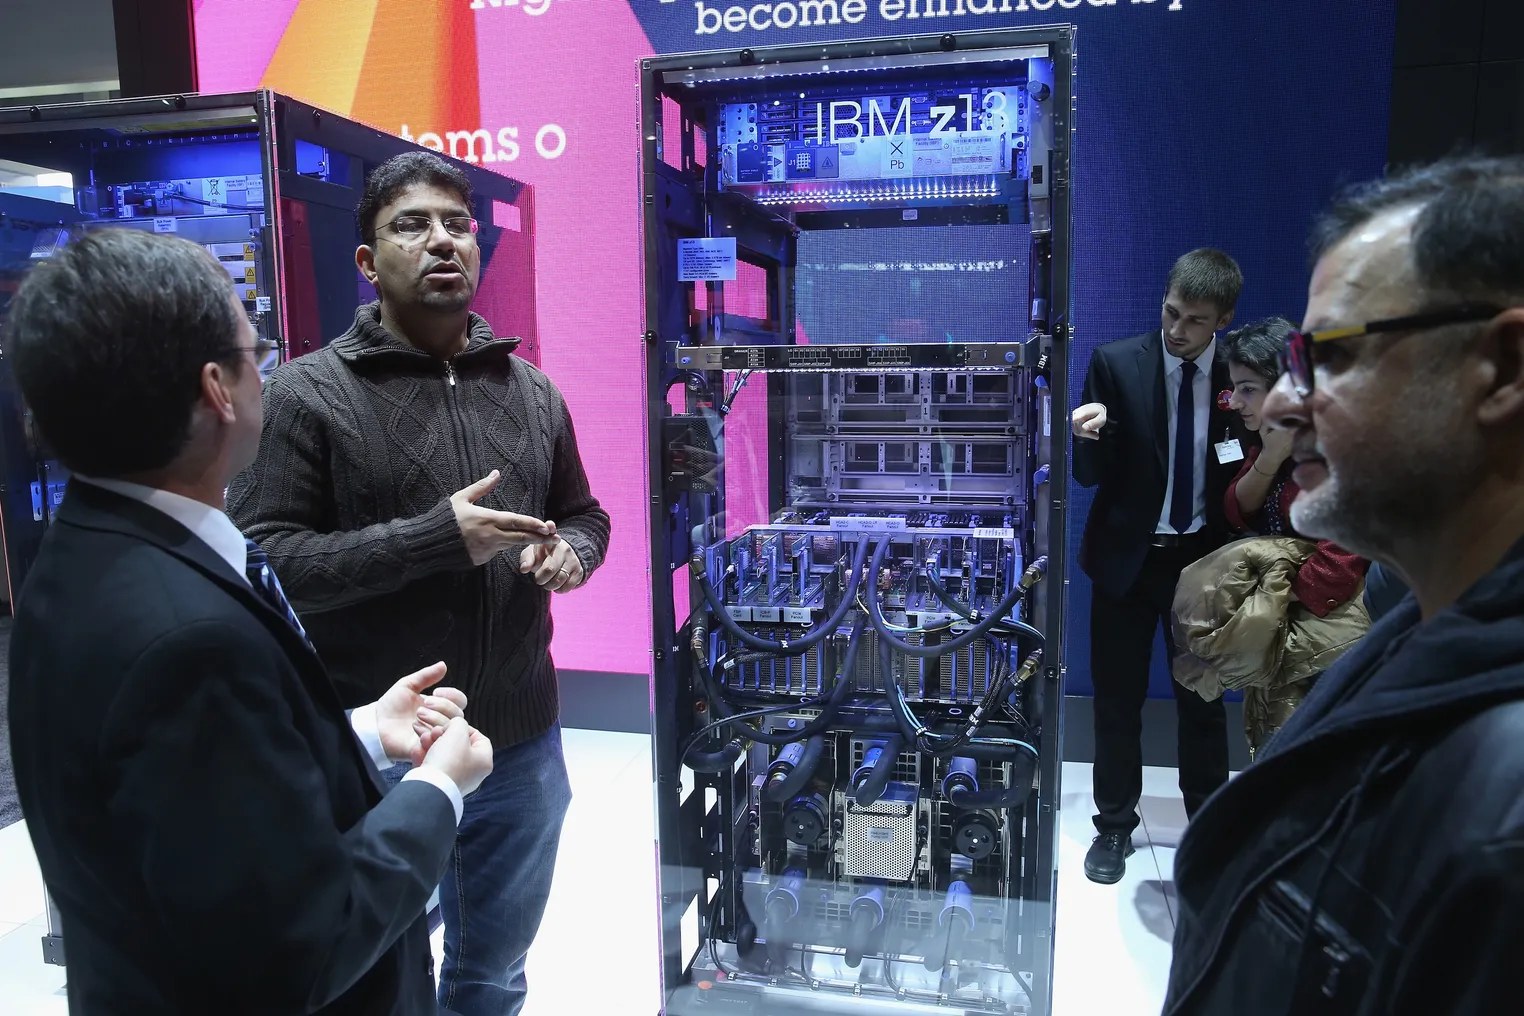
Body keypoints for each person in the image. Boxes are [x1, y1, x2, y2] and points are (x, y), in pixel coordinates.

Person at [5, 228, 494, 1015]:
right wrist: (438, 788)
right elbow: (302, 945)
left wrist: (362, 730)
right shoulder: (187, 641)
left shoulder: (85, 554)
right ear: (217, 389)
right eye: (254, 350)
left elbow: (200, 814)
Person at [229, 151, 610, 1016]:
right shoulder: (306, 397)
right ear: (367, 261)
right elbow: (266, 566)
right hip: (381, 749)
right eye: (411, 225)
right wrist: (434, 540)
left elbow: (586, 513)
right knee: (377, 978)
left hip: (520, 742)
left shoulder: (533, 391)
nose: (441, 241)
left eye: (457, 223)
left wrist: (575, 555)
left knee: (493, 973)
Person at [1163, 155, 1524, 1015]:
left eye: (1329, 356)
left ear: (1505, 368)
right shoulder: (1417, 641)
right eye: (1289, 362)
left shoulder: (1504, 816)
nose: (1286, 406)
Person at [1070, 249, 1240, 883]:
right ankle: (1114, 828)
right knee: (1118, 701)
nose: (1176, 330)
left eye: (1195, 320)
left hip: (1204, 562)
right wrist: (1087, 438)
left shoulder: (1237, 372)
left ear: (1223, 318)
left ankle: (1210, 833)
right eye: (1171, 312)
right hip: (1127, 562)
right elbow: (1090, 477)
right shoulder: (1116, 363)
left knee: (1202, 704)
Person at [1184, 318, 1369, 753]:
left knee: (1311, 755)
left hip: (1329, 628)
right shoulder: (1276, 440)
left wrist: (1271, 608)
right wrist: (1270, 457)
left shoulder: (1334, 443)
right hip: (1296, 620)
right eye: (1234, 389)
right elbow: (1238, 511)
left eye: (1248, 389)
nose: (1235, 402)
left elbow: (1341, 556)